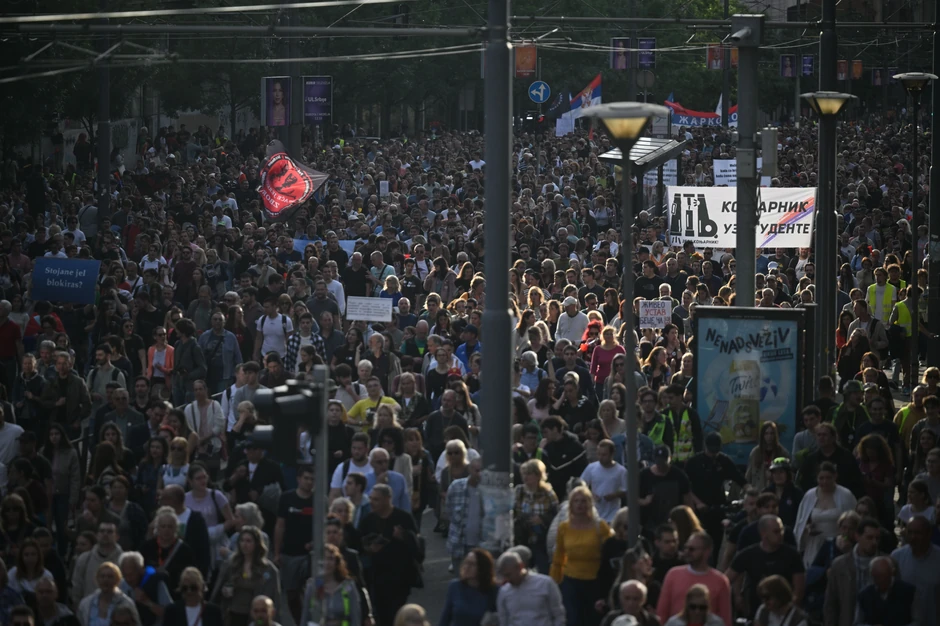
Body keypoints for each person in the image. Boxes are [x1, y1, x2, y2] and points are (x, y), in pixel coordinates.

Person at [358, 484, 420, 626]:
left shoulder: (403, 518)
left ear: (388, 499)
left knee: (396, 613)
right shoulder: (368, 520)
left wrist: (403, 536)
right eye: (371, 499)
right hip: (377, 576)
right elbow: (359, 544)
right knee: (380, 613)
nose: (372, 503)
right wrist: (369, 549)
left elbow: (417, 547)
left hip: (400, 576)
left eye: (376, 499)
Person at [550, 485, 611, 626]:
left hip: (595, 580)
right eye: (576, 501)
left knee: (593, 619)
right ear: (571, 504)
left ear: (589, 504)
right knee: (573, 619)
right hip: (570, 580)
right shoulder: (564, 527)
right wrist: (554, 581)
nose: (580, 505)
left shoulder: (600, 526)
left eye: (583, 501)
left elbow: (610, 551)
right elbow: (558, 556)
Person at [727, 515, 805, 620]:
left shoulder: (792, 555)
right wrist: (736, 596)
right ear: (763, 533)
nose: (781, 534)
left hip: (784, 611)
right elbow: (725, 580)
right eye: (776, 531)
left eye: (782, 530)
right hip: (756, 609)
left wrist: (788, 611)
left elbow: (799, 589)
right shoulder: (748, 554)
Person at [210, 526, 280, 626]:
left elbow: (274, 598)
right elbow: (218, 590)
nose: (244, 544)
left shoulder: (267, 569)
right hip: (232, 614)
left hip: (256, 617)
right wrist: (225, 590)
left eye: (248, 541)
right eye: (242, 540)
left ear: (256, 544)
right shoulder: (231, 565)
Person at [657, 532, 730, 625]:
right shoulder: (673, 575)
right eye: (686, 548)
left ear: (707, 551)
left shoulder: (720, 581)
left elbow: (726, 619)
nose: (687, 552)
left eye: (692, 549)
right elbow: (662, 613)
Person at [794, 461, 858, 568]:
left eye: (828, 478)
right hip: (814, 544)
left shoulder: (845, 495)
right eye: (821, 478)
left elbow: (854, 520)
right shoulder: (809, 495)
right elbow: (801, 520)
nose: (825, 481)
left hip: (837, 544)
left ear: (835, 476)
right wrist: (807, 529)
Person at [823, 516, 882, 626]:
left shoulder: (886, 563)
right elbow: (830, 603)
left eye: (877, 538)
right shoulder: (840, 565)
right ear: (857, 537)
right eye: (869, 538)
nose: (874, 542)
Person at [273, 465, 313, 623]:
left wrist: (315, 543)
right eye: (306, 478)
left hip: (310, 555)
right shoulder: (286, 498)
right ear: (298, 479)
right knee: (291, 595)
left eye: (312, 479)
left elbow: (324, 526)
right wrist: (276, 552)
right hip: (289, 554)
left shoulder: (319, 500)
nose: (309, 482)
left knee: (310, 592)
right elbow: (280, 525)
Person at [890, 516, 940, 626]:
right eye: (910, 532)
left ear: (928, 534)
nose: (913, 537)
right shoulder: (896, 557)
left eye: (918, 533)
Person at [513, 458, 558, 574]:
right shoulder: (519, 491)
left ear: (538, 475)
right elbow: (512, 513)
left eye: (529, 474)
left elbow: (556, 516)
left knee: (543, 571)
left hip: (541, 540)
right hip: (523, 539)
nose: (525, 477)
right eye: (524, 474)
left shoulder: (548, 493)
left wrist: (542, 519)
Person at [298, 543, 361, 626]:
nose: (326, 563)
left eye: (330, 559)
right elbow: (305, 616)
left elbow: (355, 616)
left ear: (336, 562)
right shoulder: (312, 586)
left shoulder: (348, 585)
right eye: (323, 559)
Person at [496, 550, 565, 626]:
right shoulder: (504, 591)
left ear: (520, 566)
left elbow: (558, 614)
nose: (507, 579)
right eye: (504, 576)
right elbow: (503, 620)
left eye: (509, 575)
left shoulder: (545, 583)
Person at [140, 507, 196, 595]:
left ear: (176, 528)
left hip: (175, 594)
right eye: (163, 526)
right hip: (149, 593)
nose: (166, 530)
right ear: (157, 528)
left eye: (170, 526)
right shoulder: (146, 547)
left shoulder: (185, 551)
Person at [438, 547, 498, 626]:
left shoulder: (493, 590)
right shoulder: (455, 586)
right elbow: (445, 618)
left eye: (472, 564)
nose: (467, 567)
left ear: (483, 568)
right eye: (466, 562)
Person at [639, 446, 693, 532]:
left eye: (663, 462)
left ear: (670, 459)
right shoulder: (644, 475)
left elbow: (688, 500)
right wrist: (644, 502)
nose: (661, 465)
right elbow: (632, 498)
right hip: (649, 525)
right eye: (658, 462)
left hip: (673, 524)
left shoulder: (679, 475)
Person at [445, 457, 484, 573]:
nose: (479, 474)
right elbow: (449, 510)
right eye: (477, 470)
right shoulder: (456, 487)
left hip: (481, 544)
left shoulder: (488, 490)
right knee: (460, 578)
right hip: (459, 543)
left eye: (482, 471)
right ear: (469, 470)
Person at [71, 522, 123, 606]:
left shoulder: (124, 560)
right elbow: (77, 586)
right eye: (102, 531)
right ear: (97, 535)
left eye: (109, 531)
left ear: (117, 536)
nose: (105, 534)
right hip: (90, 609)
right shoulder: (84, 559)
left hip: (118, 609)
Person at [856, 556, 917, 626]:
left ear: (892, 573)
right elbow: (857, 623)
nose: (881, 580)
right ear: (872, 575)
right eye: (877, 577)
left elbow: (918, 621)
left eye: (884, 576)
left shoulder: (909, 591)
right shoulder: (864, 595)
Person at [118, 551, 172, 626]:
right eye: (125, 575)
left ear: (141, 570)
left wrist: (147, 601)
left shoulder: (156, 583)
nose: (128, 579)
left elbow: (170, 614)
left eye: (131, 575)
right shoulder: (122, 584)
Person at [580, 440, 627, 523]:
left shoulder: (621, 471)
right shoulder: (591, 468)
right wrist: (590, 494)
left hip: (613, 515)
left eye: (604, 455)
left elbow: (626, 490)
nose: (600, 457)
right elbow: (581, 484)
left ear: (612, 454)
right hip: (594, 514)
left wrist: (615, 495)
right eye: (599, 454)